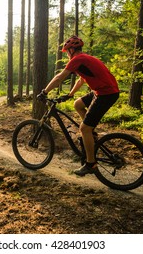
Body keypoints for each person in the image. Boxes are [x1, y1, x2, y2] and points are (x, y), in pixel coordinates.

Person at [37, 36, 119, 176]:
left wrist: (44, 91)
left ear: (72, 49)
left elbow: (59, 77)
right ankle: (91, 133)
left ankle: (90, 164)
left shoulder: (78, 59)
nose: (67, 54)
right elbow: (82, 80)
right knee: (78, 104)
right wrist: (70, 94)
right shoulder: (86, 59)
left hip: (106, 94)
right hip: (103, 91)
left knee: (84, 128)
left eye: (67, 51)